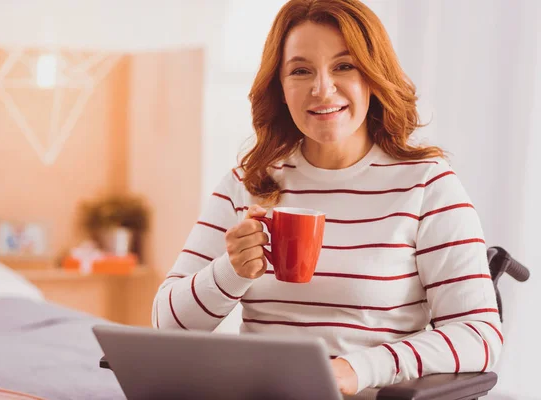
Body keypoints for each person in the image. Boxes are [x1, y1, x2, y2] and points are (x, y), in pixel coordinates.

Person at [151, 0, 502, 395]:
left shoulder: (427, 186)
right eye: (301, 71)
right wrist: (230, 271)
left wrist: (357, 369)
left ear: (373, 76)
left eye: (344, 66)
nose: (322, 89)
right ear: (280, 89)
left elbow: (480, 336)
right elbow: (167, 323)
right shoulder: (246, 183)